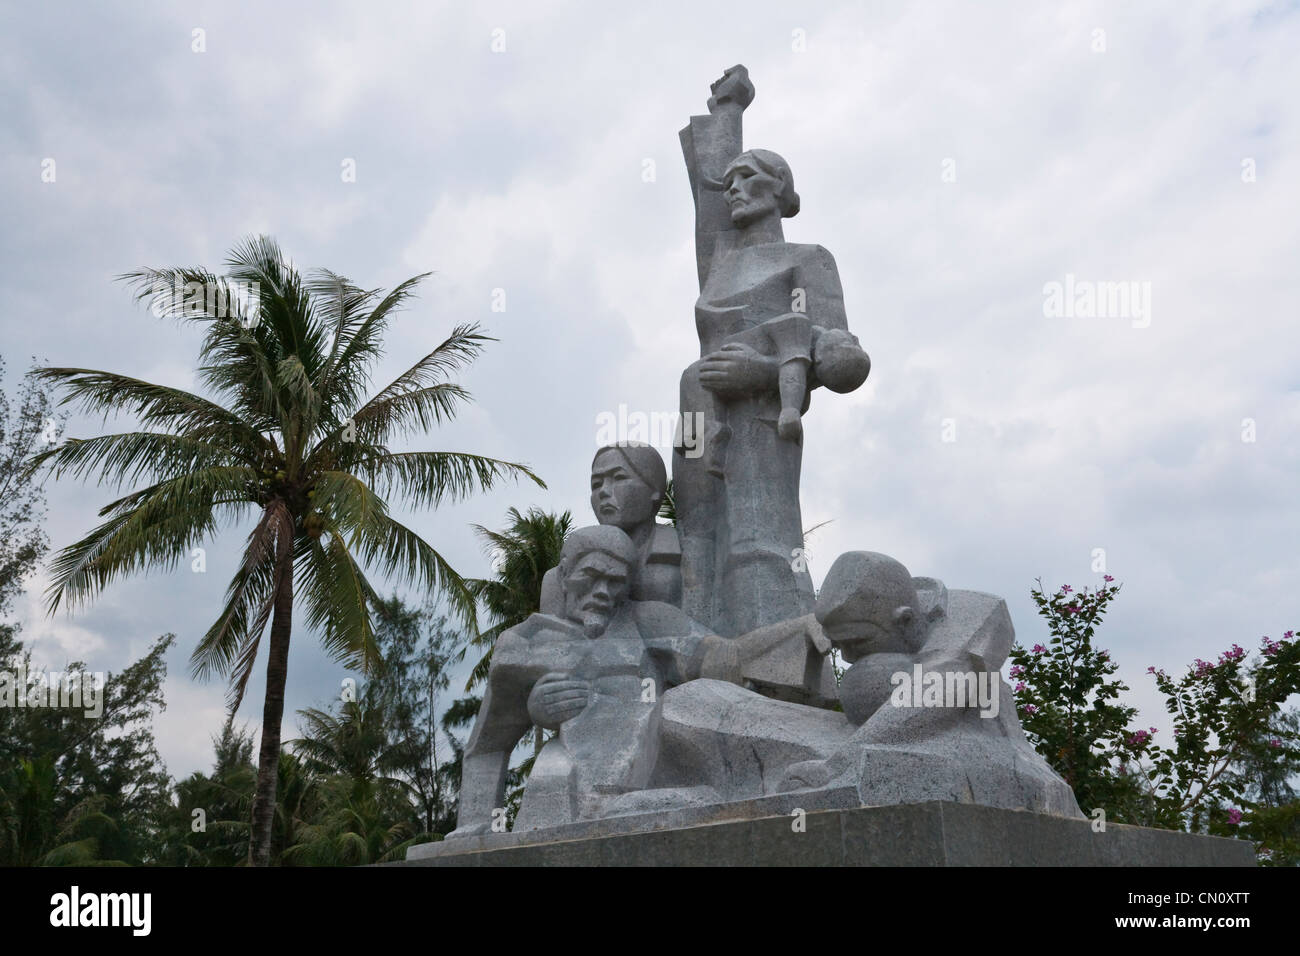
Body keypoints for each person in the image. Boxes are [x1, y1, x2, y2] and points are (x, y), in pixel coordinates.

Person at [676, 65, 871, 641]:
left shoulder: (808, 260)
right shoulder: (721, 260)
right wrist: (726, 114)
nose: (735, 187)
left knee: (761, 532)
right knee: (697, 531)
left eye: (750, 176)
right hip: (696, 407)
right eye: (732, 179)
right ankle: (703, 650)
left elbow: (843, 357)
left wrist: (766, 370)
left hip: (763, 410)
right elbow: (705, 197)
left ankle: (778, 657)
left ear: (781, 193)